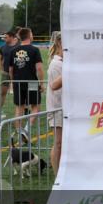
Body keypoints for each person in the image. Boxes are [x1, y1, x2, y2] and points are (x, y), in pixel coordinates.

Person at [9, 27, 44, 122]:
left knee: (19, 107)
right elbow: (39, 68)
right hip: (31, 82)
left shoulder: (13, 51)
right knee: (35, 106)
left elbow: (11, 70)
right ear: (29, 36)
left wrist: (13, 82)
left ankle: (19, 132)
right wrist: (41, 84)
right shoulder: (35, 50)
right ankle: (27, 129)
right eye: (31, 33)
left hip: (18, 82)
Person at [47, 31, 64, 173]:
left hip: (62, 107)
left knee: (62, 143)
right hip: (57, 107)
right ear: (60, 43)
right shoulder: (56, 64)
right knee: (58, 143)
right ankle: (56, 173)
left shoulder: (61, 62)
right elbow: (55, 86)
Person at [0, 28, 19, 118]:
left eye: (6, 37)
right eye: (4, 37)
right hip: (6, 74)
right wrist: (2, 70)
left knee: (21, 92)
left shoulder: (18, 47)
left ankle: (26, 110)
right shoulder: (3, 48)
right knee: (2, 92)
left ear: (12, 37)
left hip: (18, 74)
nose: (4, 38)